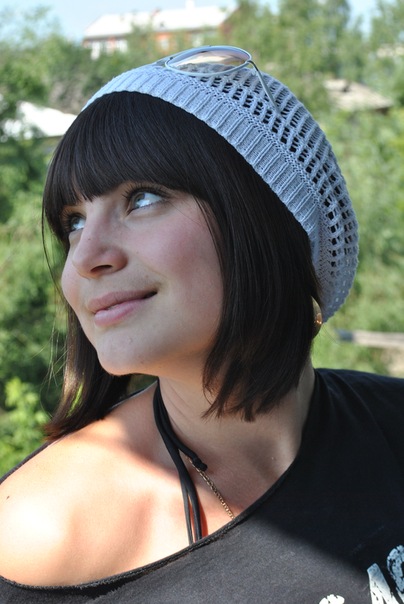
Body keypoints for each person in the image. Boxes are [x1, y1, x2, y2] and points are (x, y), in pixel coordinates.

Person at [0, 45, 403, 603]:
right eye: (73, 222)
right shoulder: (40, 534)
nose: (85, 256)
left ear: (267, 217)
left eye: (142, 199)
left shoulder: (392, 426)